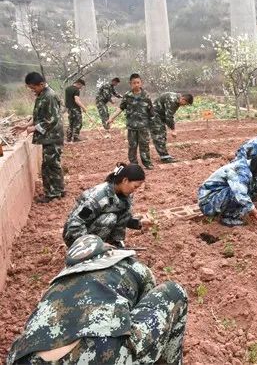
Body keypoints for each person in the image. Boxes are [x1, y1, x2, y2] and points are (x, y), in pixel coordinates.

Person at [6, 234, 188, 365]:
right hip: (100, 353)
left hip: (23, 359)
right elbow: (143, 305)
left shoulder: (56, 285)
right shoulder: (131, 266)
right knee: (174, 292)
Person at [63, 163, 146, 247]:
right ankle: (95, 249)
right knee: (110, 217)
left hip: (93, 232)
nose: (135, 190)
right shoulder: (97, 197)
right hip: (75, 237)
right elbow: (75, 224)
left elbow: (124, 219)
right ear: (125, 180)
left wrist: (140, 223)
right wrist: (94, 245)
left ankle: (114, 244)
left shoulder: (125, 196)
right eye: (135, 186)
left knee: (124, 213)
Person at [12, 72, 65, 203]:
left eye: (33, 88)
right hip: (50, 136)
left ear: (41, 84)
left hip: (53, 136)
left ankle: (53, 194)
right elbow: (39, 115)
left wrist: (34, 128)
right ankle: (58, 190)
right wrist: (26, 126)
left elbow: (52, 119)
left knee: (50, 165)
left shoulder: (49, 96)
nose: (32, 91)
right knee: (51, 164)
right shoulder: (42, 95)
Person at [198, 154, 257, 227]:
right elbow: (240, 194)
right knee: (238, 193)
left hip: (217, 196)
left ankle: (232, 212)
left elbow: (253, 183)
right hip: (208, 202)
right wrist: (256, 212)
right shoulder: (241, 173)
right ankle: (228, 218)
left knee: (252, 189)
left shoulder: (249, 166)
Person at [107, 73, 155, 169]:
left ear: (141, 83)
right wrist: (111, 117)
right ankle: (133, 165)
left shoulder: (146, 95)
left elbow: (151, 111)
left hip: (143, 126)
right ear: (130, 84)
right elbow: (121, 108)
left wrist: (153, 124)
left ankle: (147, 163)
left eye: (138, 82)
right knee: (132, 146)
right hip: (131, 126)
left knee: (144, 145)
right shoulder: (127, 96)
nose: (136, 85)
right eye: (134, 83)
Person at [149, 92, 194, 163]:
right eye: (185, 104)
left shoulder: (177, 99)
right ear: (183, 99)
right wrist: (173, 130)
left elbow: (169, 115)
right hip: (154, 115)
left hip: (159, 115)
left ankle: (164, 156)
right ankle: (165, 157)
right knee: (159, 135)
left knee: (162, 134)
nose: (184, 106)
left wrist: (172, 126)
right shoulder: (172, 100)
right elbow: (169, 117)